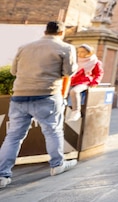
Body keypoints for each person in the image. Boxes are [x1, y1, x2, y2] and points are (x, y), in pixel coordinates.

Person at [0, 21, 78, 189]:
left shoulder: (24, 47)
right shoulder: (66, 48)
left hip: (20, 96)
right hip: (47, 95)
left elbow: (14, 71)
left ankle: (2, 175)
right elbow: (68, 72)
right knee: (52, 131)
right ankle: (57, 165)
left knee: (13, 136)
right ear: (62, 32)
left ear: (45, 31)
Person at [67, 44, 104, 122]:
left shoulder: (94, 61)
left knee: (74, 91)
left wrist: (95, 82)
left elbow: (99, 73)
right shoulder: (75, 60)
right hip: (72, 81)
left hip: (84, 82)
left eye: (82, 52)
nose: (79, 54)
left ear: (89, 52)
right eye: (78, 52)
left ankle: (76, 111)